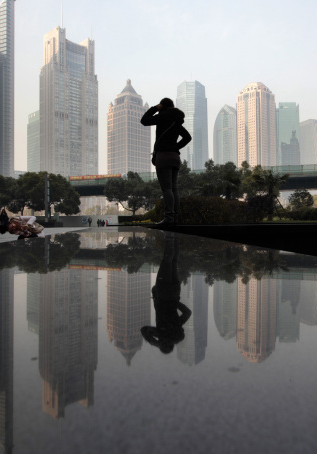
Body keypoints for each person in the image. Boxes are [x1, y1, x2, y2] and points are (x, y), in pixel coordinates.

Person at [140, 98, 191, 226]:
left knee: (167, 189)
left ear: (162, 106)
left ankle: (168, 218)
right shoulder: (177, 120)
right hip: (175, 157)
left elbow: (144, 120)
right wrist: (175, 147)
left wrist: (155, 108)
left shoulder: (162, 116)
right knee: (174, 189)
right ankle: (174, 217)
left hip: (163, 157)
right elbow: (187, 137)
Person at [140, 233, 191, 353]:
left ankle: (176, 238)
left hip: (174, 293)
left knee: (173, 261)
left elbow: (188, 312)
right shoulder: (161, 333)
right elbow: (144, 330)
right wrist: (155, 343)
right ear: (162, 343)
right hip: (163, 292)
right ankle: (170, 236)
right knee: (167, 261)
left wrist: (175, 303)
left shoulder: (177, 328)